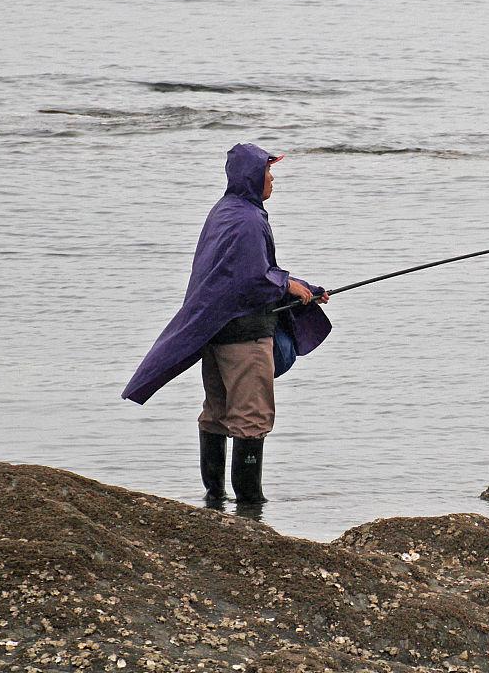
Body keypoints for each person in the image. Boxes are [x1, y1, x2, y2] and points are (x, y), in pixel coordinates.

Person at [122, 142, 332, 505]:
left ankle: (214, 500)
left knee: (216, 414)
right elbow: (253, 278)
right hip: (246, 339)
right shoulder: (248, 220)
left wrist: (302, 288)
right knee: (252, 419)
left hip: (217, 333)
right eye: (268, 172)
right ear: (253, 176)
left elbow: (240, 273)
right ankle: (250, 507)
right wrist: (289, 285)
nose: (272, 180)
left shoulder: (224, 212)